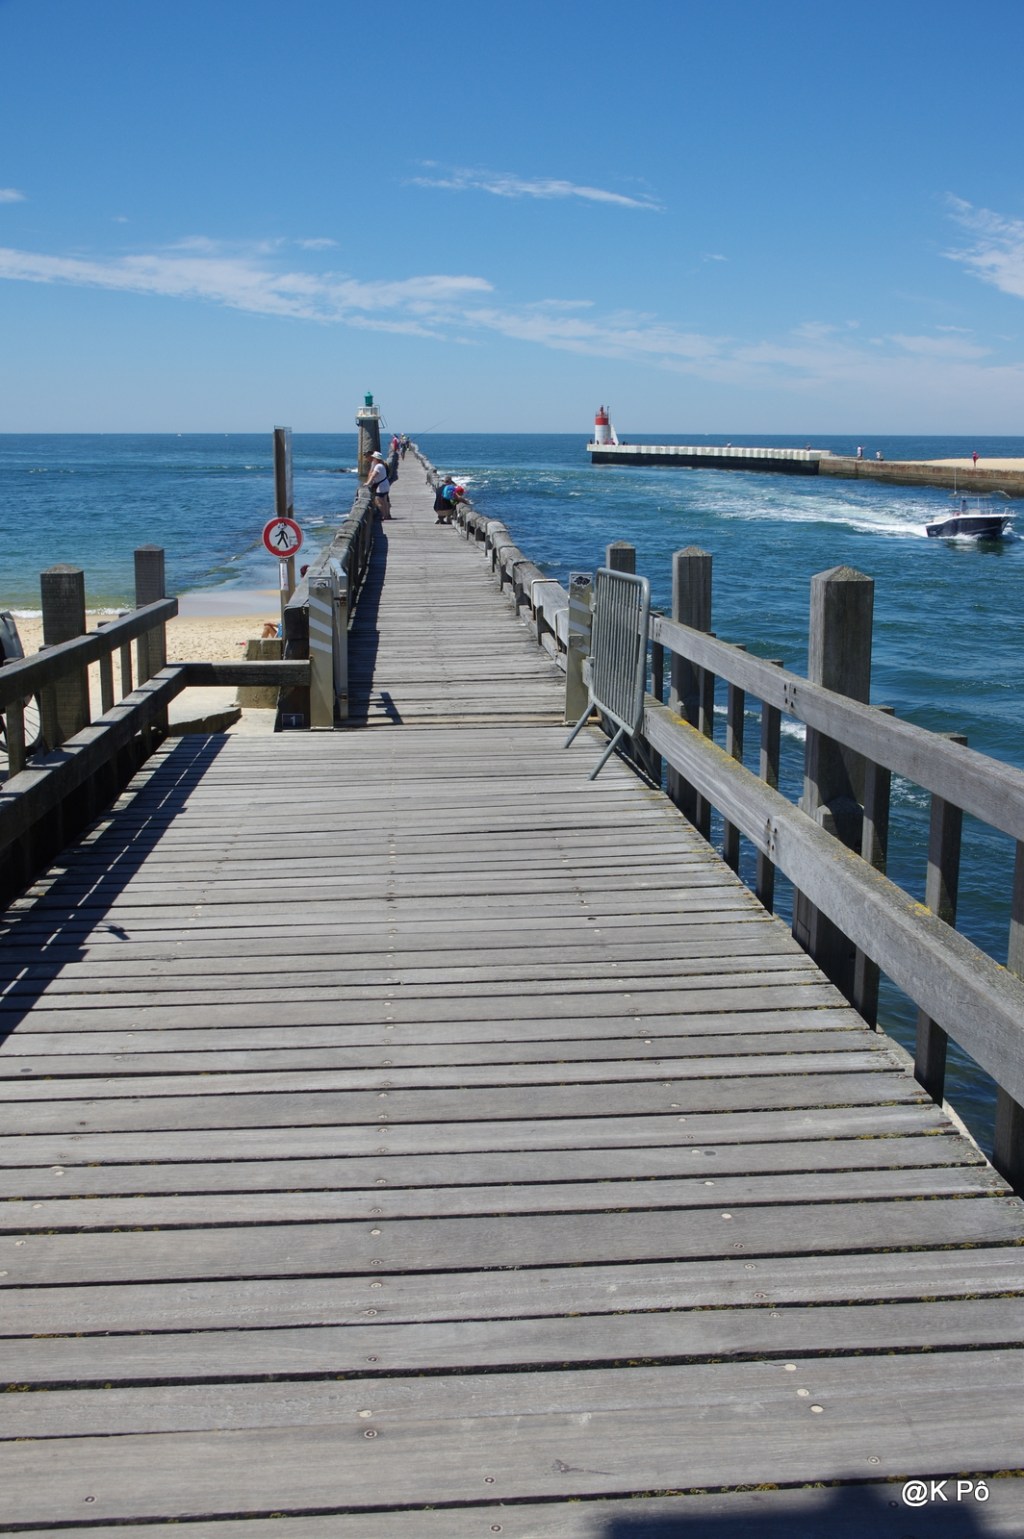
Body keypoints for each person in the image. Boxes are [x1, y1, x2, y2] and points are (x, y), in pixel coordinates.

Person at [367, 450, 392, 519]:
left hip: (381, 487)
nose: (372, 459)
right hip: (386, 484)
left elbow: (373, 475)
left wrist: (368, 483)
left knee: (378, 501)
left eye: (373, 458)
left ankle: (384, 515)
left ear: (376, 459)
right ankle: (387, 515)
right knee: (385, 501)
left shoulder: (377, 466)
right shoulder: (383, 464)